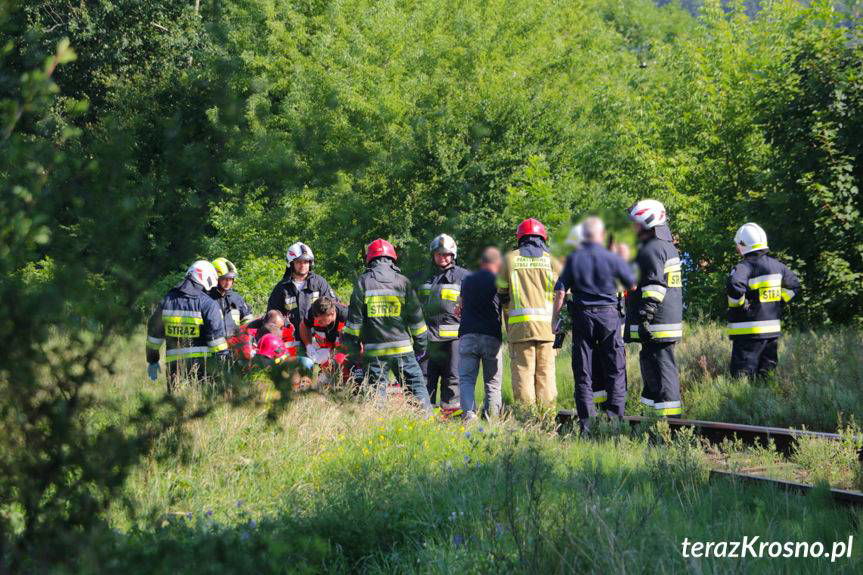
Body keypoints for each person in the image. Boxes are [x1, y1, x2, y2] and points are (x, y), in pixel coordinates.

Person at [553, 217, 636, 433]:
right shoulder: (613, 257)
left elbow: (560, 291)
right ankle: (614, 422)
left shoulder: (574, 259)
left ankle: (587, 425)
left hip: (583, 317)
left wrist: (555, 318)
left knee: (583, 372)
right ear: (600, 235)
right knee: (615, 369)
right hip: (609, 317)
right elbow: (632, 285)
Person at [342, 239, 432, 411]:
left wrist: (355, 353)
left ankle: (378, 428)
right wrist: (421, 346)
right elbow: (417, 320)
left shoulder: (363, 283)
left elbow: (354, 325)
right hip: (403, 350)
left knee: (376, 395)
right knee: (417, 389)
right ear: (392, 258)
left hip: (376, 351)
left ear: (369, 259)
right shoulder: (403, 282)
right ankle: (425, 422)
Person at [624, 199, 684, 417]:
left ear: (646, 221)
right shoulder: (666, 247)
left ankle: (670, 424)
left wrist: (644, 317)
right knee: (652, 372)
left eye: (634, 222)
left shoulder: (652, 249)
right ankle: (650, 420)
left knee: (661, 371)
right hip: (661, 322)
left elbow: (654, 287)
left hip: (656, 323)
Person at [497, 218, 562, 406]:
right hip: (548, 329)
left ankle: (527, 419)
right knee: (546, 374)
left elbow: (501, 292)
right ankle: (547, 418)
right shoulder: (553, 260)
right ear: (543, 237)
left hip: (520, 329)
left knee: (523, 373)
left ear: (520, 238)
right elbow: (564, 293)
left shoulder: (509, 259)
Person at [726, 223, 800, 378]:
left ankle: (746, 402)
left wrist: (740, 306)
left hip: (748, 333)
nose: (737, 247)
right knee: (767, 375)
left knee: (743, 378)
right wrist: (779, 302)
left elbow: (735, 286)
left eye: (738, 244)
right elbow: (793, 286)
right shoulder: (778, 266)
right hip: (771, 332)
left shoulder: (743, 267)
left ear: (743, 245)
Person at [146, 260, 229, 392]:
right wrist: (225, 363)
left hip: (174, 368)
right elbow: (217, 341)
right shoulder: (207, 303)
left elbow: (154, 335)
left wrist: (152, 360)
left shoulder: (167, 300)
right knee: (200, 407)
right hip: (203, 369)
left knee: (176, 407)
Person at [416, 234, 470, 410]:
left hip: (453, 340)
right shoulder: (422, 276)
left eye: (446, 254)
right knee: (425, 377)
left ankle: (450, 415)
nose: (443, 257)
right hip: (427, 339)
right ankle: (424, 416)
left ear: (453, 255)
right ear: (433, 255)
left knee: (453, 378)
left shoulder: (464, 277)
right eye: (439, 254)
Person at [456, 247, 504, 421]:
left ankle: (469, 415)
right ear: (497, 263)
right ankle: (492, 418)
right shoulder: (499, 280)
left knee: (467, 380)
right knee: (492, 383)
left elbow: (458, 306)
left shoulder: (467, 280)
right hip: (491, 335)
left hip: (468, 334)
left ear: (481, 262)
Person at [266, 242, 338, 344]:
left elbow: (334, 307)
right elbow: (272, 317)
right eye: (299, 262)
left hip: (318, 339)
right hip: (292, 341)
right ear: (291, 264)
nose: (303, 265)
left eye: (306, 262)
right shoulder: (282, 288)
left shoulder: (319, 283)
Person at [300, 296, 352, 384]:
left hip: (344, 350)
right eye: (316, 320)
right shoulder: (312, 313)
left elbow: (354, 344)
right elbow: (303, 326)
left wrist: (332, 355)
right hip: (324, 347)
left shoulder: (346, 316)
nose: (318, 323)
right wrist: (308, 346)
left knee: (340, 360)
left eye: (321, 320)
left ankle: (347, 386)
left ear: (331, 313)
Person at [210, 257, 254, 336]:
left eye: (230, 279)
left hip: (234, 345)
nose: (228, 283)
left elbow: (247, 321)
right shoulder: (207, 299)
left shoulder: (237, 298)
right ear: (215, 278)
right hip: (214, 345)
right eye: (224, 279)